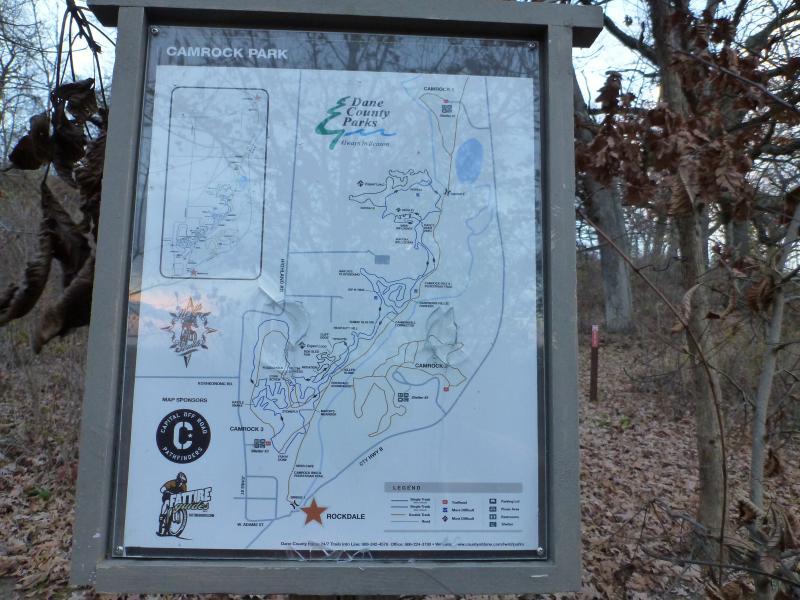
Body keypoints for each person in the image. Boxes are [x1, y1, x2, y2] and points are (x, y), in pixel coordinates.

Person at [157, 472, 187, 536]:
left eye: (183, 482)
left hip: (176, 499)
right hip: (167, 497)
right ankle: (161, 520)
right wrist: (166, 490)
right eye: (180, 481)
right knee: (166, 503)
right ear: (178, 480)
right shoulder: (171, 482)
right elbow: (162, 489)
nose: (181, 483)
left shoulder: (184, 486)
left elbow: (185, 494)